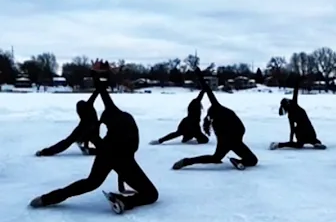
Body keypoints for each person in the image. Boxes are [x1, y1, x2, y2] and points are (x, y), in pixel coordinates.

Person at [29, 63, 159, 214]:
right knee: (151, 194)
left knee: (90, 183)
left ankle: (47, 199)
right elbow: (103, 92)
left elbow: (101, 92)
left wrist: (97, 75)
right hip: (121, 158)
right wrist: (99, 75)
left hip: (111, 155)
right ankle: (124, 201)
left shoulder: (102, 125)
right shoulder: (117, 115)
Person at [171, 67, 258, 170]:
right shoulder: (218, 110)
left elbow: (207, 91)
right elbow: (209, 92)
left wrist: (200, 77)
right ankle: (239, 161)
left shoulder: (216, 121)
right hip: (234, 142)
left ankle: (187, 161)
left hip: (231, 141)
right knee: (253, 160)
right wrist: (200, 76)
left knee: (215, 158)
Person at [35, 91, 100, 156]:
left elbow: (65, 143)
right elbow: (94, 95)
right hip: (91, 128)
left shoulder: (86, 109)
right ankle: (84, 144)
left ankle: (84, 144)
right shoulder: (88, 106)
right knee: (102, 147)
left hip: (90, 129)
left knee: (70, 140)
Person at [270, 74, 325, 150]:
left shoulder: (293, 104)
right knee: (303, 142)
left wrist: (299, 80)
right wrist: (290, 142)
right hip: (303, 129)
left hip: (306, 127)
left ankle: (315, 143)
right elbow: (292, 129)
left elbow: (295, 91)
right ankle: (279, 144)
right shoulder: (291, 112)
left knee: (310, 140)